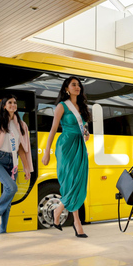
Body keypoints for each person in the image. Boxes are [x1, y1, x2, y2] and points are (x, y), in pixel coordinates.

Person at [42, 76, 90, 238]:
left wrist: (86, 133)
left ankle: (59, 209)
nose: (78, 87)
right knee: (70, 182)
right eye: (74, 85)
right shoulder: (61, 107)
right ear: (66, 89)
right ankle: (77, 223)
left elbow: (83, 128)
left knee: (79, 182)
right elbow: (53, 129)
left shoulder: (82, 106)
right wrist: (47, 151)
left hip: (80, 146)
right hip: (66, 146)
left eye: (79, 85)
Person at [0, 94, 33, 234]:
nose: (13, 105)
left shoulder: (21, 125)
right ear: (4, 105)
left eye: (15, 103)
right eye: (10, 102)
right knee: (11, 187)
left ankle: (2, 232)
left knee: (8, 200)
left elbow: (22, 149)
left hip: (13, 161)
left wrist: (26, 168)